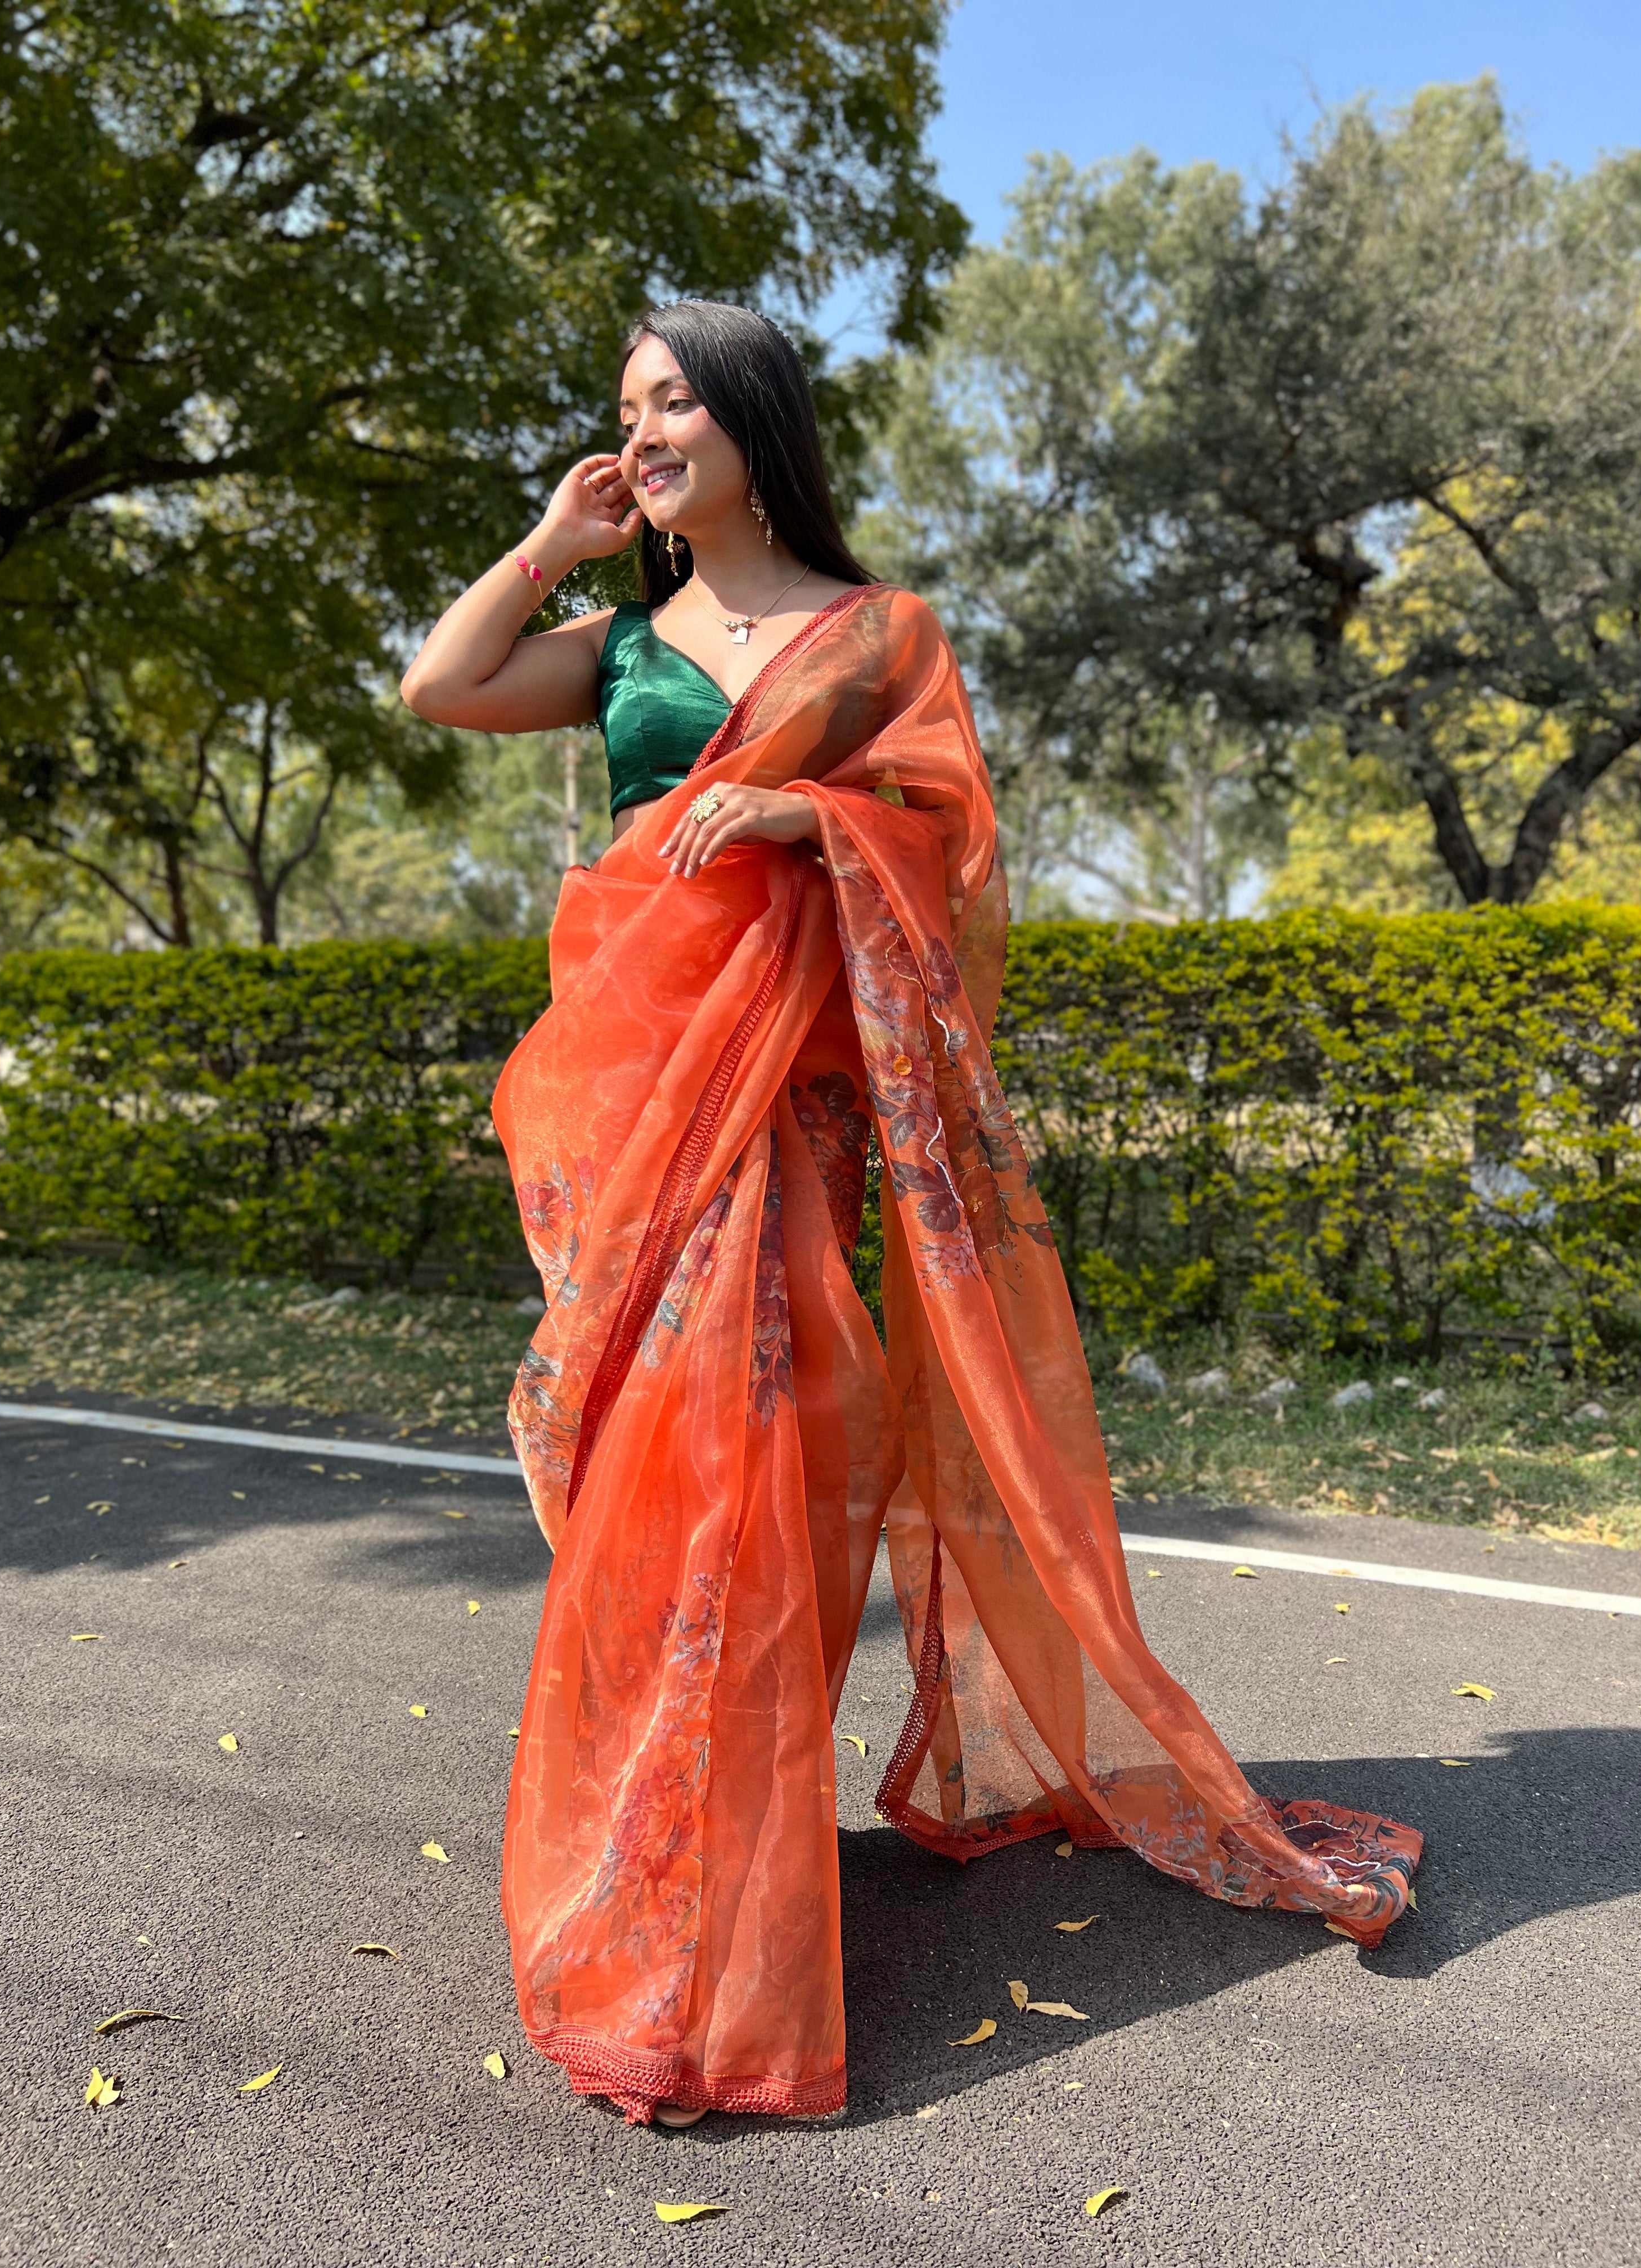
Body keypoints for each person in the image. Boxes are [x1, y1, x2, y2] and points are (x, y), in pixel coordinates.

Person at [401, 300, 1422, 2132]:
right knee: (656, 1476)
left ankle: (722, 1905)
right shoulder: (621, 638)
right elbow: (440, 687)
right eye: (625, 408)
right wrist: (557, 539)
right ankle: (677, 1862)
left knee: (765, 1469)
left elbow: (945, 853)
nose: (641, 429)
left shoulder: (881, 637)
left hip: (785, 1118)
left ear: (756, 419)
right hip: (635, 1115)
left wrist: (809, 820)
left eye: (672, 399)